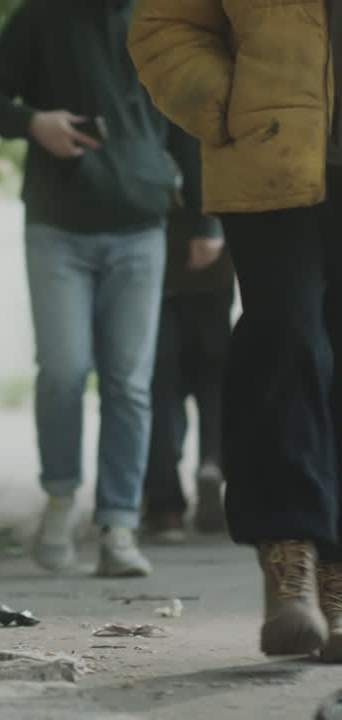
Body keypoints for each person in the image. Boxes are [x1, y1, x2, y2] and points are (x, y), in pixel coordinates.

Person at [0, 0, 221, 577]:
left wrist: (206, 219)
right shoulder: (40, 19)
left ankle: (120, 526)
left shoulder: (161, 19)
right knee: (64, 369)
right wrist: (34, 122)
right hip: (57, 228)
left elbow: (186, 124)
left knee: (129, 382)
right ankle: (59, 502)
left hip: (141, 228)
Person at [129, 0, 342, 659]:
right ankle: (290, 555)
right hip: (273, 157)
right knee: (286, 336)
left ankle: (338, 579)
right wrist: (226, 105)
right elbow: (163, 26)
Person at [142, 201, 233, 542]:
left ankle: (165, 506)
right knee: (214, 377)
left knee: (161, 384)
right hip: (211, 261)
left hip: (156, 263)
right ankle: (212, 460)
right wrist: (211, 228)